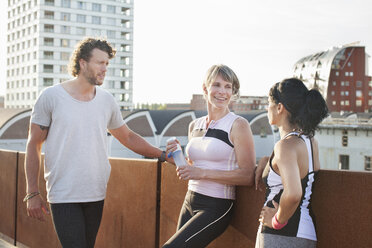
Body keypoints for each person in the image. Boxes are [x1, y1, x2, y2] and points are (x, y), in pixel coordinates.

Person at [24, 37, 167, 248]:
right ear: (82, 63)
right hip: (63, 193)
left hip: (96, 191)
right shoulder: (51, 97)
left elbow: (127, 137)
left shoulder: (106, 100)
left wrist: (162, 155)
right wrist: (32, 192)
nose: (104, 69)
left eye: (107, 64)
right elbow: (33, 144)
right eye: (100, 63)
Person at [163, 64, 256, 248]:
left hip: (217, 205)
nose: (222, 92)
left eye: (228, 86)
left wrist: (201, 173)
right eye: (217, 85)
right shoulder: (194, 125)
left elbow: (247, 175)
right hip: (190, 198)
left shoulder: (238, 124)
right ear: (205, 89)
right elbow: (192, 166)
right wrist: (176, 155)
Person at [254, 78, 328, 248]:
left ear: (279, 107)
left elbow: (294, 193)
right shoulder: (310, 141)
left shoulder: (285, 147)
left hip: (280, 235)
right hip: (306, 232)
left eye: (269, 103)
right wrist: (268, 161)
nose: (267, 108)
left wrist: (275, 221)